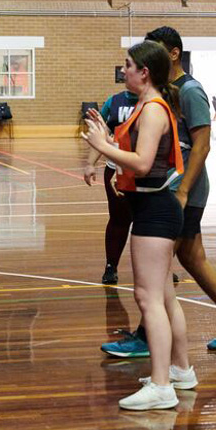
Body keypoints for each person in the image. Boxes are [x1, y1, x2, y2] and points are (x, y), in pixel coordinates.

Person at [101, 26, 216, 357]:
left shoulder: (189, 91)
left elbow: (202, 146)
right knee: (190, 256)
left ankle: (150, 339)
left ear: (172, 54)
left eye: (155, 51)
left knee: (155, 269)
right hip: (172, 189)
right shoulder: (167, 92)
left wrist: (184, 190)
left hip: (184, 190)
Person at [83, 40, 197, 410]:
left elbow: (143, 163)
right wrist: (109, 142)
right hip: (154, 207)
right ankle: (180, 370)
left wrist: (102, 145)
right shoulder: (147, 107)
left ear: (144, 72)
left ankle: (162, 386)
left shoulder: (152, 110)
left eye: (128, 65)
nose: (124, 70)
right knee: (164, 296)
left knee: (147, 298)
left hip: (155, 212)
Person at [84, 90, 138, 285]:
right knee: (119, 219)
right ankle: (111, 266)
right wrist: (90, 163)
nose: (125, 72)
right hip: (116, 170)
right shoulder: (114, 101)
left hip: (145, 172)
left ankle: (161, 267)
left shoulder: (156, 99)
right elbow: (102, 136)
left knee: (150, 220)